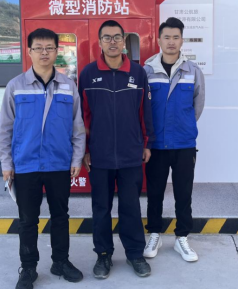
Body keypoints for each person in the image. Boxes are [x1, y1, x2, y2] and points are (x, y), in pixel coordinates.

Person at [0, 28, 86, 289]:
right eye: (38, 48)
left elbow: (78, 127)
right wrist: (6, 163)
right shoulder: (15, 86)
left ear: (57, 51)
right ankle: (28, 267)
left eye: (49, 48)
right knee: (27, 220)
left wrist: (76, 159)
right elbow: (4, 129)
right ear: (29, 51)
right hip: (26, 164)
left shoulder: (68, 86)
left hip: (59, 163)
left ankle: (60, 261)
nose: (44, 53)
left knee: (60, 216)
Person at [78, 20, 155, 279]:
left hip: (131, 153)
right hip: (99, 155)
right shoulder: (88, 74)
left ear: (124, 41)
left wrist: (146, 143)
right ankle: (103, 254)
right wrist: (85, 149)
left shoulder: (138, 73)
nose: (112, 42)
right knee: (101, 208)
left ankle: (135, 254)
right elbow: (83, 116)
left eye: (117, 37)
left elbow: (145, 111)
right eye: (107, 37)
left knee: (131, 207)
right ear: (99, 42)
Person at [142, 17, 205, 262]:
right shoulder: (147, 71)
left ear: (182, 40)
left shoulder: (193, 71)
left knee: (183, 193)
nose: (171, 41)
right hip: (156, 145)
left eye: (175, 37)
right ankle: (154, 233)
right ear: (159, 40)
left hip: (184, 144)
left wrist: (183, 126)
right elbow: (142, 107)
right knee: (155, 193)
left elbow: (197, 106)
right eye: (166, 37)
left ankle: (181, 238)